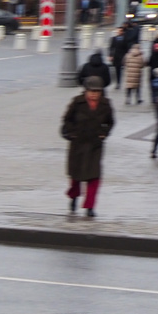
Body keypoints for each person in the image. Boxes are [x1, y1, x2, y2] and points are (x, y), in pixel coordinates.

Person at [61, 75, 114, 218]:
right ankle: (74, 197)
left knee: (94, 177)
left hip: (95, 145)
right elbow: (67, 119)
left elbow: (110, 122)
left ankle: (90, 206)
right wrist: (72, 133)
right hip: (78, 144)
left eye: (97, 91)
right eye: (91, 91)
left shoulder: (106, 104)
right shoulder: (77, 103)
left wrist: (104, 133)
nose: (94, 94)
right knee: (75, 177)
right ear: (85, 91)